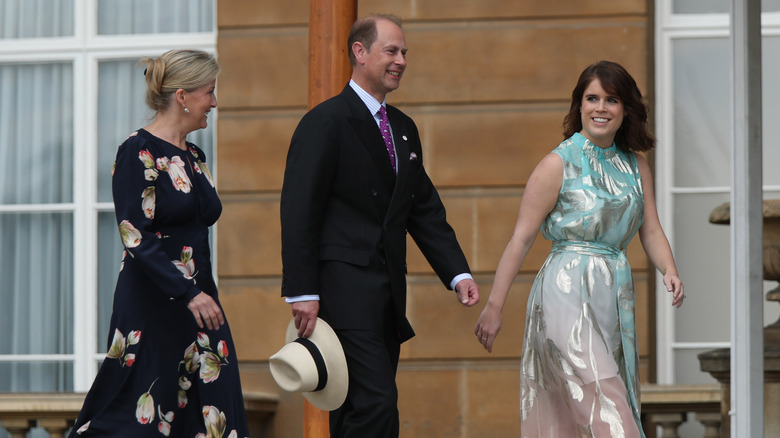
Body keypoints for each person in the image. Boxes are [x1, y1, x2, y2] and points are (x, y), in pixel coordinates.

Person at [280, 14, 480, 438]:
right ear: (360, 52)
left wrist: (456, 272)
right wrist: (302, 291)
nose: (402, 60)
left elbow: (422, 208)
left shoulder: (403, 129)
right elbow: (299, 210)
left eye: (404, 52)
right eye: (392, 51)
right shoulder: (325, 121)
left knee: (358, 407)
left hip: (386, 297)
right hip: (341, 293)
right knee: (376, 404)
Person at [474, 60, 685, 437]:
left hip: (612, 295)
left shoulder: (637, 166)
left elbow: (650, 230)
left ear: (626, 110)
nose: (601, 107)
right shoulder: (557, 163)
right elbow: (520, 238)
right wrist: (494, 307)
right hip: (564, 293)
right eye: (592, 98)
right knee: (610, 408)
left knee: (580, 415)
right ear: (580, 105)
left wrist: (669, 269)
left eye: (612, 100)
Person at [69, 49, 249, 437]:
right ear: (182, 96)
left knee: (213, 407)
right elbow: (134, 235)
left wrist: (197, 294)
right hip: (154, 303)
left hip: (200, 303)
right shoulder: (138, 151)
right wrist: (187, 292)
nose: (214, 102)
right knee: (138, 413)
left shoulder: (195, 156)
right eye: (209, 92)